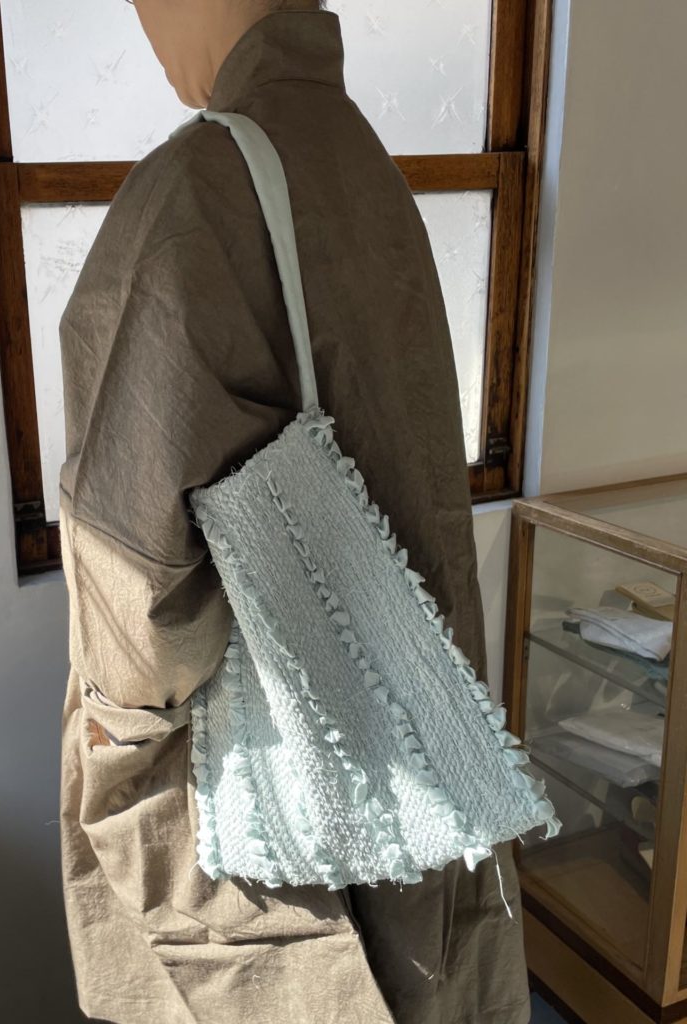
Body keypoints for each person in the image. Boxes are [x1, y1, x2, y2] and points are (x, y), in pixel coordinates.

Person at [57, 3, 532, 1022]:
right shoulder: (361, 163)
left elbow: (137, 579)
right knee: (431, 968)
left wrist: (113, 745)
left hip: (253, 783)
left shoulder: (194, 187)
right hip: (409, 720)